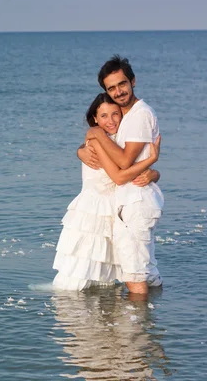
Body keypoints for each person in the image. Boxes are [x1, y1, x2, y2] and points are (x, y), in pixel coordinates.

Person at [52, 93, 160, 291]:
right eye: (103, 116)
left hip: (115, 209)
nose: (110, 121)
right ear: (94, 118)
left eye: (115, 114)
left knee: (119, 271)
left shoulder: (118, 140)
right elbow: (119, 176)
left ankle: (111, 313)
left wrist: (154, 174)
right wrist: (151, 160)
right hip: (95, 211)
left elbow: (129, 168)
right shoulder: (96, 141)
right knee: (83, 271)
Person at [80, 55, 164, 296]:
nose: (118, 91)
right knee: (147, 274)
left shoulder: (138, 115)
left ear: (133, 81)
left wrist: (96, 133)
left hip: (135, 205)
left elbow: (125, 163)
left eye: (122, 84)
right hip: (133, 202)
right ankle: (151, 325)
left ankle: (137, 331)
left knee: (135, 277)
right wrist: (84, 147)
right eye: (111, 88)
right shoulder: (127, 117)